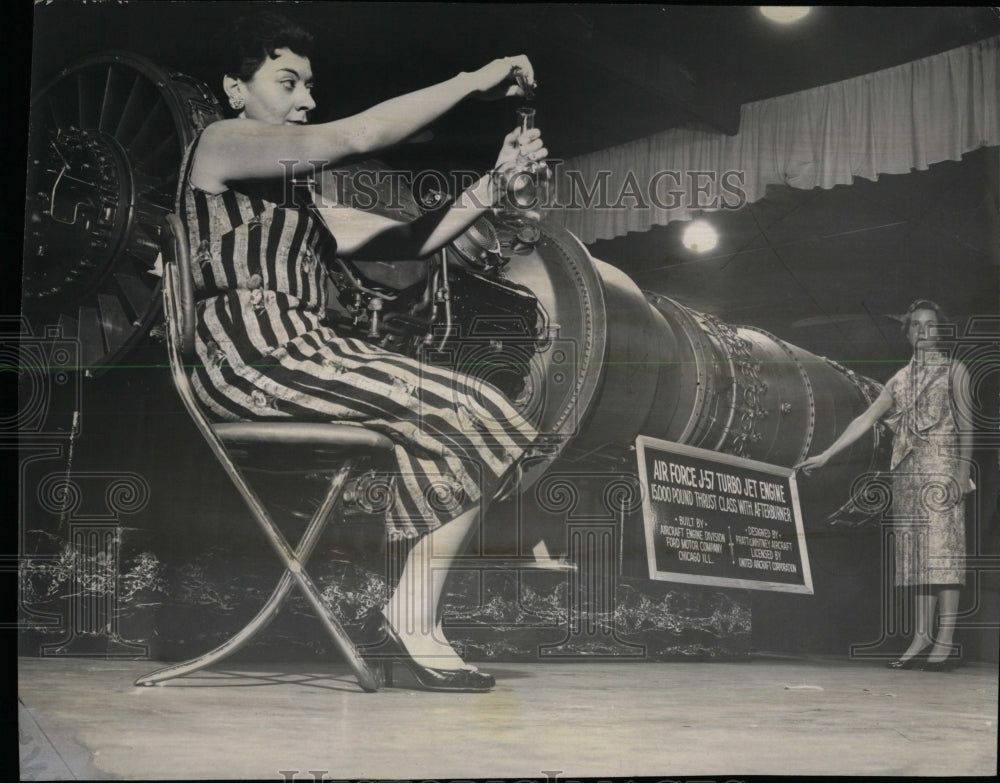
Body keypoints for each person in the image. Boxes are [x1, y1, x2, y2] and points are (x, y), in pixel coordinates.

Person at [180, 11, 548, 691]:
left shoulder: (303, 205)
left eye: (308, 85)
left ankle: (413, 618)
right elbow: (354, 134)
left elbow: (412, 241)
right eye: (287, 82)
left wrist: (496, 180)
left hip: (306, 352)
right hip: (252, 359)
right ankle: (409, 624)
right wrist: (476, 79)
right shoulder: (218, 144)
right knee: (461, 408)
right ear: (235, 88)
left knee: (480, 410)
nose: (305, 100)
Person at [796, 300, 974, 671]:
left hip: (942, 471)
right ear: (907, 334)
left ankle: (945, 640)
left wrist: (960, 473)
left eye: (930, 325)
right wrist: (827, 454)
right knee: (917, 560)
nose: (923, 332)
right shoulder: (899, 379)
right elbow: (865, 418)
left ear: (939, 331)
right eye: (916, 326)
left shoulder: (956, 371)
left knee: (944, 558)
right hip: (907, 474)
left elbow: (968, 427)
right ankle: (921, 636)